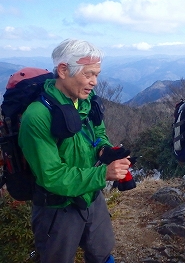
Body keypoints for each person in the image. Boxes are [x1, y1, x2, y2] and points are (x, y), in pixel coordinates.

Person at [18, 39, 131, 263]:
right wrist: (102, 174)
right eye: (88, 74)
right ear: (63, 70)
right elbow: (51, 175)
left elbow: (98, 134)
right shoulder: (38, 116)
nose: (94, 82)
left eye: (97, 74)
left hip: (90, 196)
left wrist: (104, 150)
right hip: (57, 208)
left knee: (102, 250)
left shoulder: (87, 103)